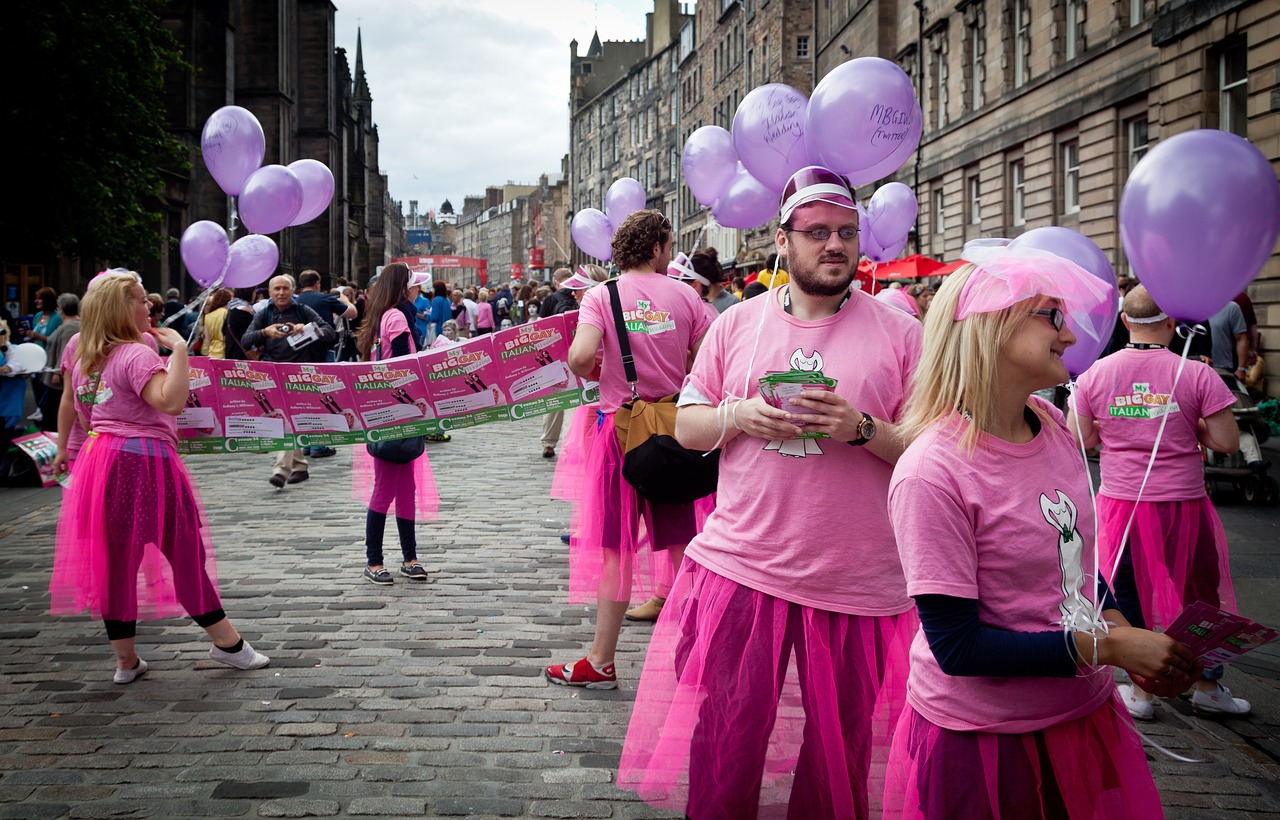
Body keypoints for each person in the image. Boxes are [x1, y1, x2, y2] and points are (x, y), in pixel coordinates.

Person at [616, 167, 920, 818]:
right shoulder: (737, 325)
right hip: (744, 570)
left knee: (839, 752)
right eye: (816, 232)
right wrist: (739, 416)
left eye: (846, 232)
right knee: (727, 736)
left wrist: (859, 427)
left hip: (857, 581)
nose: (834, 244)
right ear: (783, 241)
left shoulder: (902, 334)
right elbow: (690, 426)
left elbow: (929, 452)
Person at [883, 248, 1197, 818]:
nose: (1072, 336)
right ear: (991, 326)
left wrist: (1133, 649)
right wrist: (1112, 647)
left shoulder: (1052, 424)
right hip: (988, 742)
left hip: (1082, 715)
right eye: (1051, 315)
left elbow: (1073, 573)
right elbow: (957, 647)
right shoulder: (933, 471)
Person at [49, 271, 270, 683]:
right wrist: (181, 351)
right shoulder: (135, 354)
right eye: (138, 299)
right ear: (119, 308)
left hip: (101, 460)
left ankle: (125, 662)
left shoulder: (86, 355)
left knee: (115, 563)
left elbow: (84, 415)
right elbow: (169, 401)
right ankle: (229, 645)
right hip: (143, 461)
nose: (147, 305)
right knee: (183, 551)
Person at [545, 210, 712, 691]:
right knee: (683, 547)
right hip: (674, 432)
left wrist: (604, 375)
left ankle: (601, 661)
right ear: (658, 247)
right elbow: (711, 358)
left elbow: (578, 357)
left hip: (619, 431)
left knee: (616, 549)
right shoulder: (687, 295)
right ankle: (697, 654)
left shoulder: (602, 295)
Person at [1068, 284, 1248, 718]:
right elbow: (1227, 442)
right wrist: (1191, 430)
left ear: (1125, 322)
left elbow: (1081, 437)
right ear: (1172, 323)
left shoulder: (1097, 372)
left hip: (1120, 504)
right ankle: (1206, 684)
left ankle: (1141, 691)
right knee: (1200, 596)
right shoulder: (1197, 373)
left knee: (1123, 594)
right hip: (1182, 505)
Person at [354, 262, 440, 585]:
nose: (418, 290)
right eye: (414, 285)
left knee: (406, 489)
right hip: (397, 411)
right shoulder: (398, 316)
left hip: (392, 409)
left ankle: (409, 557)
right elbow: (404, 365)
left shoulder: (384, 315)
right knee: (388, 489)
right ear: (404, 288)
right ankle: (374, 560)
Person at [241, 274, 336, 486]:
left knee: (286, 419)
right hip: (272, 373)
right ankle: (300, 466)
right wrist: (265, 332)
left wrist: (308, 328)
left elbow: (330, 332)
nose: (281, 293)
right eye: (277, 289)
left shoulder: (302, 310)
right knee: (285, 420)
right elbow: (246, 339)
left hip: (297, 374)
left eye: (285, 288)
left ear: (292, 290)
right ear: (270, 292)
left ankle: (281, 470)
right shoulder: (264, 313)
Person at [1195, 298, 1268, 471]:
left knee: (1234, 418)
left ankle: (1253, 460)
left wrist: (1241, 368)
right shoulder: (1189, 309)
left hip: (1224, 372)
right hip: (1195, 371)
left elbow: (1242, 337)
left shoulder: (1230, 307)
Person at [538, 268, 582, 459]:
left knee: (554, 402)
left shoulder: (550, 300)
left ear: (556, 282)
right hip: (579, 354)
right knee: (578, 401)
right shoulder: (581, 296)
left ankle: (549, 443)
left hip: (555, 358)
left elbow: (538, 328)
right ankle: (572, 443)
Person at [39, 294, 80, 432]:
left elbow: (65, 351)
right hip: (56, 378)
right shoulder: (68, 324)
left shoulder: (71, 327)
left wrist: (57, 372)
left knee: (52, 415)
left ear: (60, 309)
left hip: (59, 383)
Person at [295, 270, 356, 360]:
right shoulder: (325, 299)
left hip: (300, 351)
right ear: (317, 283)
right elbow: (352, 313)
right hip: (324, 350)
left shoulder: (294, 301)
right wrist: (346, 301)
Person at [221, 288, 259, 361]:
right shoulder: (244, 310)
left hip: (230, 352)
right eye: (254, 292)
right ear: (249, 292)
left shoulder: (231, 309)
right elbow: (253, 333)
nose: (255, 295)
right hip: (243, 356)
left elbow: (223, 331)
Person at [200, 288, 233, 359]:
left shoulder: (207, 316)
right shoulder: (227, 313)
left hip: (212, 352)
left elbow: (207, 340)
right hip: (224, 352)